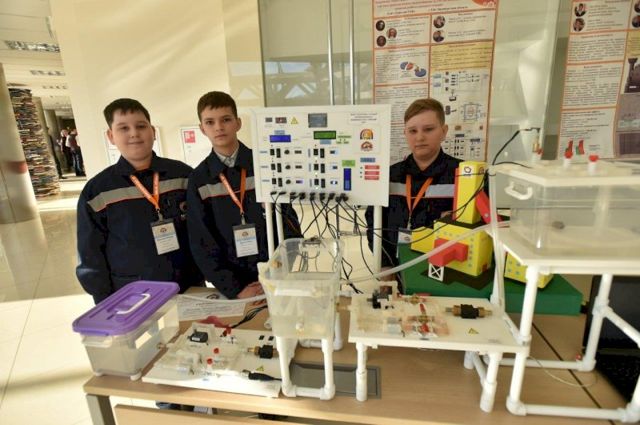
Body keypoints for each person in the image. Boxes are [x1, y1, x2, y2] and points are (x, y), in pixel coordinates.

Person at [76, 98, 203, 304]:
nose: (134, 133)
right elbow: (90, 253)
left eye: (141, 126)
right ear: (111, 136)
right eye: (123, 128)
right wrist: (104, 300)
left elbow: (204, 230)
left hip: (188, 285)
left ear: (153, 131)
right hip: (131, 293)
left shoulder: (183, 175)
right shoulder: (98, 190)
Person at [187, 91, 300, 300]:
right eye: (210, 122)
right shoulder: (199, 180)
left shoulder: (267, 166)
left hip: (276, 278)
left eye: (226, 120)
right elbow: (202, 242)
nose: (219, 127)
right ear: (202, 129)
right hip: (234, 289)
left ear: (238, 123)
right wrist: (234, 289)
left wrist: (277, 273)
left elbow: (290, 225)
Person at [365, 98, 461, 273]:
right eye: (412, 131)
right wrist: (384, 265)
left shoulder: (465, 175)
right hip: (396, 269)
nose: (420, 137)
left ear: (444, 131)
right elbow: (374, 223)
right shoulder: (388, 176)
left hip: (447, 271)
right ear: (405, 133)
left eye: (428, 129)